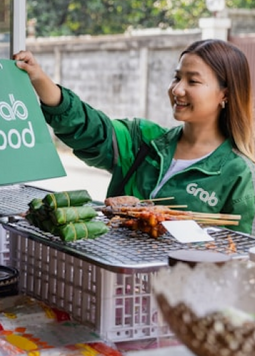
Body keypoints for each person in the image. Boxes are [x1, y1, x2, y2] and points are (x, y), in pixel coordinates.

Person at [14, 39, 255, 235]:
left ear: (225, 94)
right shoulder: (143, 138)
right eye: (177, 77)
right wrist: (39, 78)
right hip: (114, 282)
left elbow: (241, 255)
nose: (177, 89)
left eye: (193, 81)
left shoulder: (239, 174)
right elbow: (91, 130)